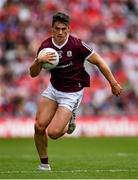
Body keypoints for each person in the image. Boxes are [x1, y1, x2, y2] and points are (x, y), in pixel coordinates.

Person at [29, 12, 122, 171]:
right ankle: (44, 164)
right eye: (57, 28)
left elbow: (99, 61)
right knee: (39, 126)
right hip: (54, 88)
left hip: (71, 93)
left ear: (68, 29)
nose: (60, 32)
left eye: (63, 29)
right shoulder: (45, 47)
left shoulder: (77, 44)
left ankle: (70, 119)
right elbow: (32, 73)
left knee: (53, 133)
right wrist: (39, 61)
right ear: (52, 29)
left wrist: (113, 83)